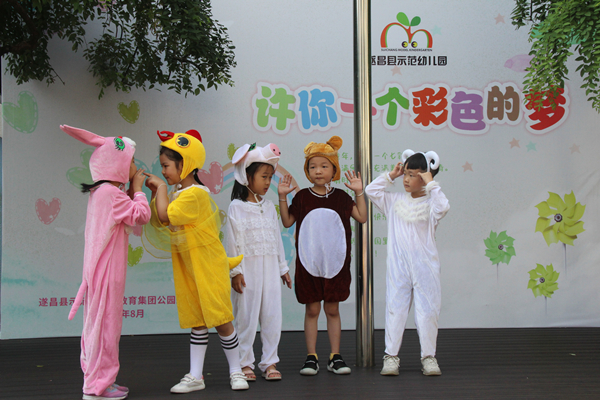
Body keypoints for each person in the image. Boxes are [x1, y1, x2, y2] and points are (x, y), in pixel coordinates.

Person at [142, 130, 247, 392]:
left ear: (185, 164)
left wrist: (161, 189)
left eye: (166, 165)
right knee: (197, 321)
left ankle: (237, 371)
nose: (163, 171)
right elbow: (160, 218)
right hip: (189, 266)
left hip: (208, 265)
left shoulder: (195, 195)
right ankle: (196, 376)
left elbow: (165, 216)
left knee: (221, 319)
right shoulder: (179, 193)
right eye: (162, 166)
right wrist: (159, 192)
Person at [61, 125, 151, 400]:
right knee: (106, 329)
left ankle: (99, 380)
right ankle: (97, 386)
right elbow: (141, 216)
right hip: (107, 273)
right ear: (117, 164)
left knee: (98, 327)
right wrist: (138, 190)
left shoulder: (101, 192)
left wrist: (130, 190)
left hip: (98, 273)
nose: (134, 166)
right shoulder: (111, 195)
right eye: (131, 161)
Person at [278, 136, 367, 376]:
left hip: (335, 265)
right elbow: (287, 221)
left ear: (334, 169)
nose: (318, 171)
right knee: (312, 310)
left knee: (333, 310)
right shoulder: (302, 197)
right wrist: (283, 196)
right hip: (309, 264)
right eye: (313, 166)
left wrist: (359, 192)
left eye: (324, 166)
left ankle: (335, 356)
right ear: (307, 171)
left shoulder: (341, 197)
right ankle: (311, 357)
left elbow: (361, 217)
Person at [364, 149, 450, 377]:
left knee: (428, 311)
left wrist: (431, 184)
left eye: (413, 175)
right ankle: (391, 357)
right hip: (398, 266)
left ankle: (429, 357)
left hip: (426, 266)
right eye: (406, 174)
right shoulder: (394, 201)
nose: (406, 179)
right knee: (395, 309)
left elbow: (443, 207)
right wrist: (391, 175)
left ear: (425, 176)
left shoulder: (432, 203)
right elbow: (371, 190)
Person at [225, 142, 293, 382]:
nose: (267, 182)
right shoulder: (236, 207)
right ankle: (244, 363)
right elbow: (232, 242)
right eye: (264, 176)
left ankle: (270, 361)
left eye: (270, 177)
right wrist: (235, 271)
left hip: (270, 270)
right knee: (245, 317)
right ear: (246, 176)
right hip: (248, 271)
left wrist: (283, 268)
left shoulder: (269, 207)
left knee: (272, 315)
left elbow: (277, 239)